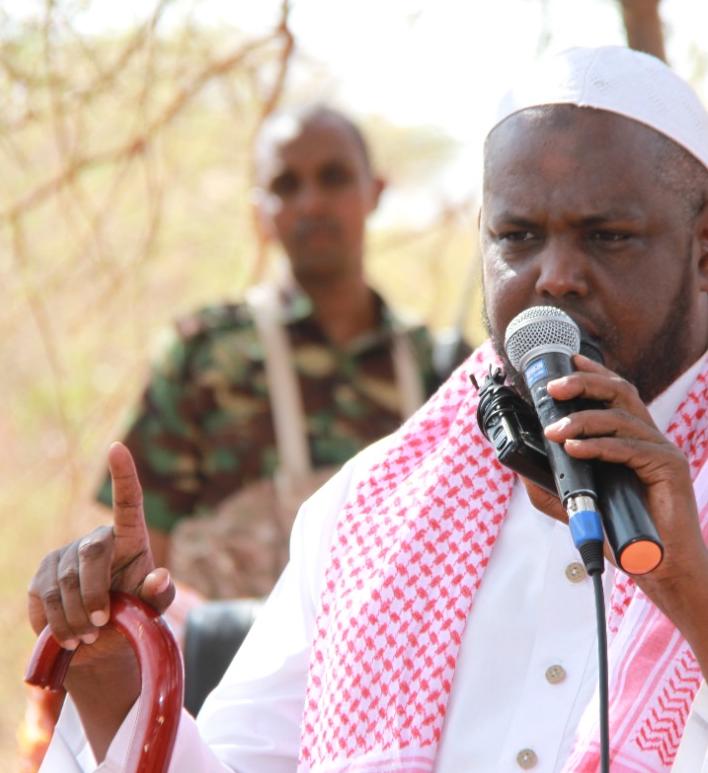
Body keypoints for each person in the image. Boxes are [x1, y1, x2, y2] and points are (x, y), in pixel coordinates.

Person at [25, 46, 708, 773]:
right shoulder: (371, 508)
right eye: (516, 236)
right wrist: (114, 687)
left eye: (607, 236)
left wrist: (693, 591)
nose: (554, 277)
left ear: (706, 244)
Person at [99, 102, 464, 600]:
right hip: (229, 651)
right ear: (260, 213)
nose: (311, 203)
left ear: (375, 192)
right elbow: (138, 566)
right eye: (286, 185)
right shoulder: (205, 357)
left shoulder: (439, 370)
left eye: (333, 177)